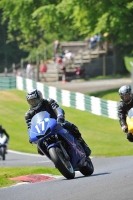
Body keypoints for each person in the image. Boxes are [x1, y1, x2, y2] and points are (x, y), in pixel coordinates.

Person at [24, 89, 91, 157]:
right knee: (40, 150)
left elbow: (58, 109)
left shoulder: (48, 102)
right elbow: (30, 127)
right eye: (31, 102)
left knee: (71, 127)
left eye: (35, 100)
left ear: (40, 97)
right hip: (42, 131)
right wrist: (31, 136)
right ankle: (57, 158)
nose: (34, 103)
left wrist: (60, 117)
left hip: (57, 123)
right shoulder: (28, 115)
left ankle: (82, 144)